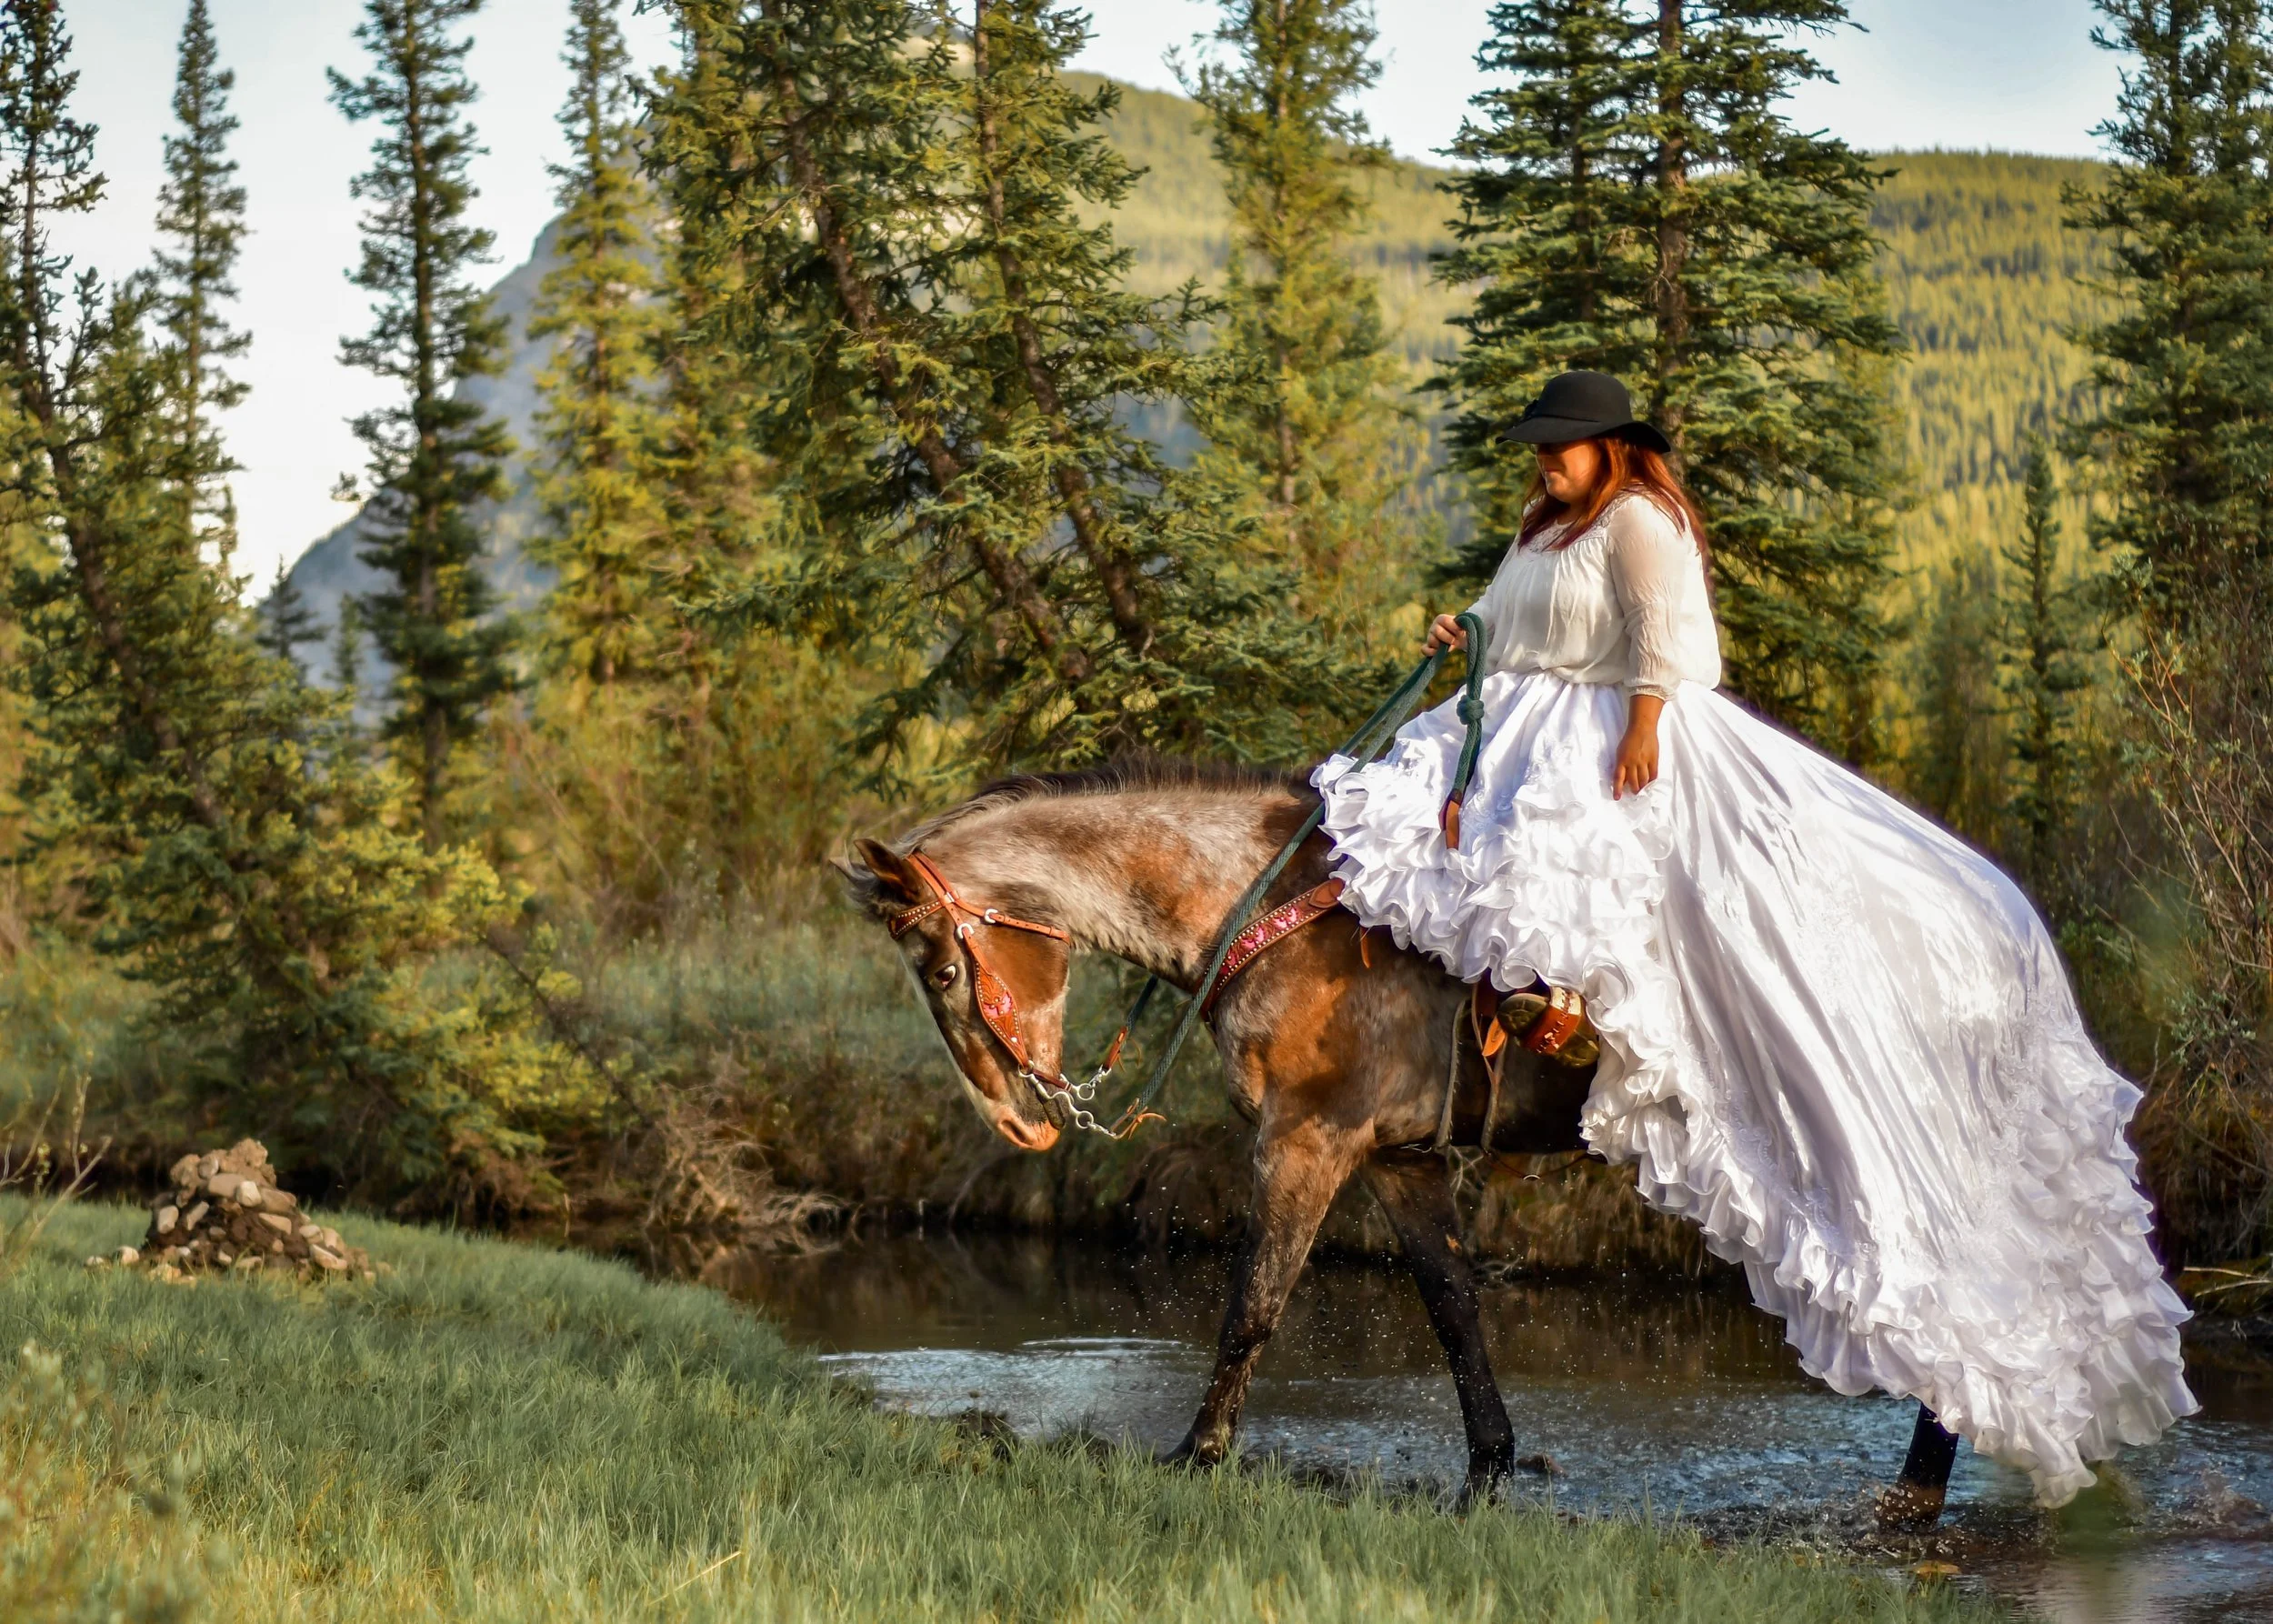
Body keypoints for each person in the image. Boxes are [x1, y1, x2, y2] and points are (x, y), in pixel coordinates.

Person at [1314, 369, 2195, 1505]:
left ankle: (1585, 1018)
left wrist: (1639, 731)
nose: (1544, 461)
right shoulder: (1544, 527)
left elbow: (1668, 640)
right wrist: (1464, 630)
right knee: (1425, 846)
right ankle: (1501, 1026)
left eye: (1562, 446)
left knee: (1629, 875)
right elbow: (1511, 622)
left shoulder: (1640, 521)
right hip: (1522, 722)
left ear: (1612, 449)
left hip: (1630, 733)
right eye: (1541, 446)